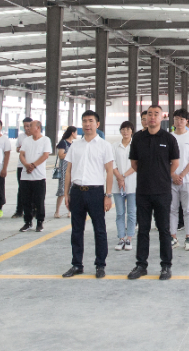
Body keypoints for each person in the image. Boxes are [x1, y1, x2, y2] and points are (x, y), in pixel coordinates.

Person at [128, 105, 181, 280]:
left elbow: (175, 162)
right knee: (143, 230)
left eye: (156, 114)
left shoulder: (169, 138)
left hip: (162, 192)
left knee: (164, 230)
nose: (152, 117)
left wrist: (162, 175)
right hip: (143, 191)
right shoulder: (138, 138)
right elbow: (134, 163)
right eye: (149, 114)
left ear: (162, 117)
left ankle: (166, 266)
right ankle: (141, 265)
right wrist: (147, 174)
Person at [63, 111, 116, 278]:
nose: (87, 124)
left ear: (97, 124)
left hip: (95, 192)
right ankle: (76, 264)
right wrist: (66, 193)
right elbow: (68, 171)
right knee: (76, 230)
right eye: (84, 121)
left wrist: (108, 195)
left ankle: (100, 265)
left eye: (91, 121)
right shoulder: (75, 146)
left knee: (99, 230)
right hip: (77, 191)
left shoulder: (105, 146)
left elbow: (109, 171)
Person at [168, 110, 189, 250]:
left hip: (187, 179)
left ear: (186, 121)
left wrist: (181, 175)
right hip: (171, 180)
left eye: (182, 119)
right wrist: (173, 175)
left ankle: (188, 238)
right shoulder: (169, 137)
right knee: (172, 209)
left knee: (187, 209)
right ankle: (173, 237)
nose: (179, 122)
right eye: (176, 119)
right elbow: (165, 159)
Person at [18, 119, 53, 232]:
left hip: (39, 177)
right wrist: (26, 165)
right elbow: (21, 154)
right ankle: (28, 222)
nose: (28, 128)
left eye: (30, 126)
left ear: (37, 128)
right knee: (26, 201)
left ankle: (40, 222)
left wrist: (33, 165)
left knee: (39, 201)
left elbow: (45, 155)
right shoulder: (26, 140)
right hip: (25, 176)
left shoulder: (45, 140)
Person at [113, 121, 137, 251]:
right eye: (123, 129)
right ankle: (121, 238)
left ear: (132, 131)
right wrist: (119, 177)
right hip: (118, 184)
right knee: (120, 213)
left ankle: (129, 238)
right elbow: (112, 163)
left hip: (132, 183)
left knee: (132, 213)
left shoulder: (136, 145)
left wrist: (123, 176)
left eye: (128, 129)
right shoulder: (114, 146)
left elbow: (137, 164)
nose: (125, 131)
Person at [54, 126, 77, 219]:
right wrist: (71, 154)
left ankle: (70, 211)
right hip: (64, 169)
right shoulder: (63, 142)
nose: (77, 134)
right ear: (72, 133)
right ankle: (57, 211)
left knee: (72, 191)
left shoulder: (74, 144)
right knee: (62, 191)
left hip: (72, 169)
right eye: (76, 132)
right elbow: (61, 155)